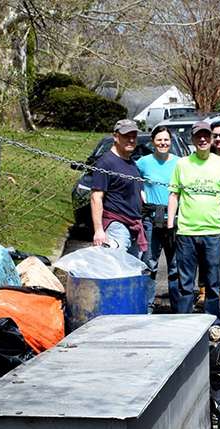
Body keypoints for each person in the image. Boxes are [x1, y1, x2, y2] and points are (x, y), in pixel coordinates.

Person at [167, 121, 220, 325]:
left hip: (213, 232)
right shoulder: (182, 164)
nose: (203, 139)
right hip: (186, 232)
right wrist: (171, 225)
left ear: (212, 139)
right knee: (185, 282)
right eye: (199, 136)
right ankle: (183, 322)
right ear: (193, 139)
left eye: (207, 136)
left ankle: (213, 322)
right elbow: (174, 195)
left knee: (213, 281)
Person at [136, 125, 181, 312]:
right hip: (151, 220)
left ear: (170, 142)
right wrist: (141, 195)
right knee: (149, 263)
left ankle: (178, 308)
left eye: (166, 140)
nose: (163, 143)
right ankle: (147, 307)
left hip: (175, 219)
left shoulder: (180, 163)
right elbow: (132, 180)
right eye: (159, 140)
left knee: (176, 266)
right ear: (152, 142)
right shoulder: (143, 162)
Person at [91, 119, 147, 257]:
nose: (131, 140)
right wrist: (98, 230)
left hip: (133, 226)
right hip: (117, 227)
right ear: (115, 137)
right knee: (116, 271)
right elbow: (96, 197)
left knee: (133, 272)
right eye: (126, 136)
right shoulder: (106, 163)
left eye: (134, 136)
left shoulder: (131, 162)